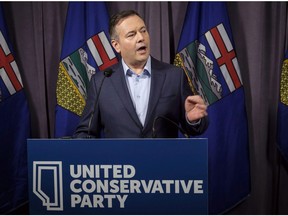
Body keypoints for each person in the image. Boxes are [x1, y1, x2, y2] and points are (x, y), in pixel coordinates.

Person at [73, 10, 208, 138]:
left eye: (143, 31)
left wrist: (192, 120)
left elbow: (195, 128)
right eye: (131, 34)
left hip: (163, 160)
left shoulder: (174, 76)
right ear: (116, 46)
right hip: (121, 161)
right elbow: (86, 132)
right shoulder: (101, 82)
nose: (141, 38)